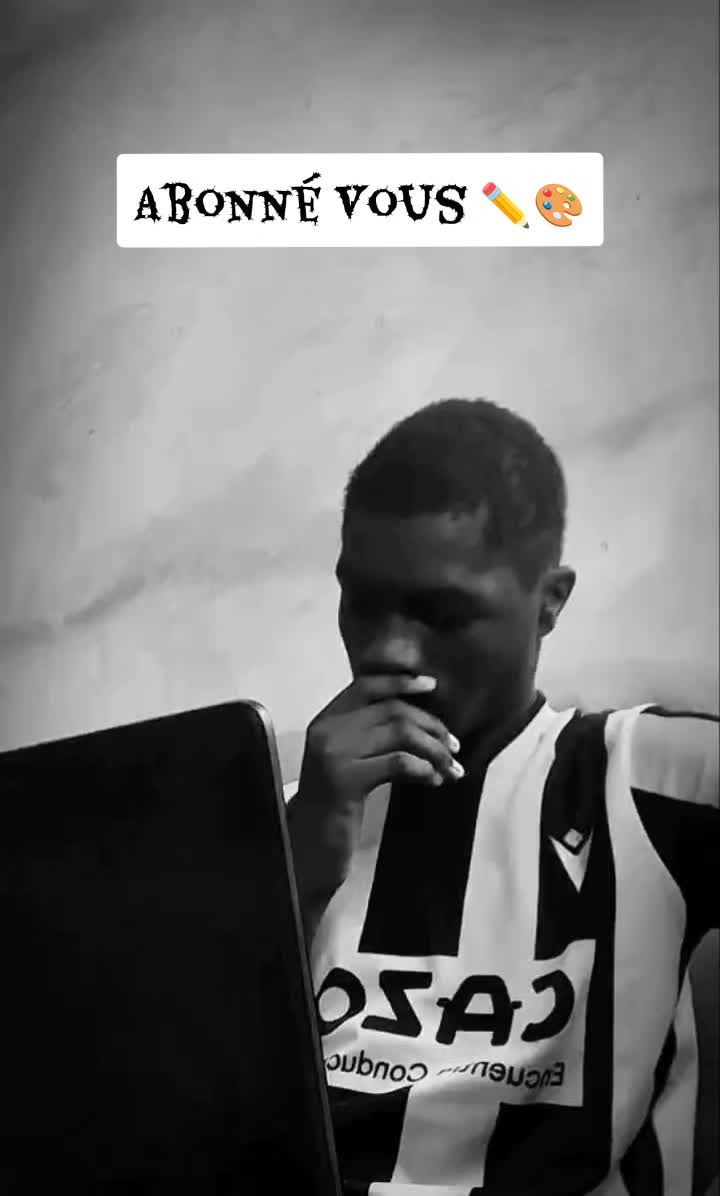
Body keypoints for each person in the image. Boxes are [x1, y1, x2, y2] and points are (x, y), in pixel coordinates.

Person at [287, 398, 718, 1196]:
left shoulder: (644, 777)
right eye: (364, 603)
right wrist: (298, 865)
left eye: (443, 613)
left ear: (550, 601)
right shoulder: (281, 815)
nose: (389, 649)